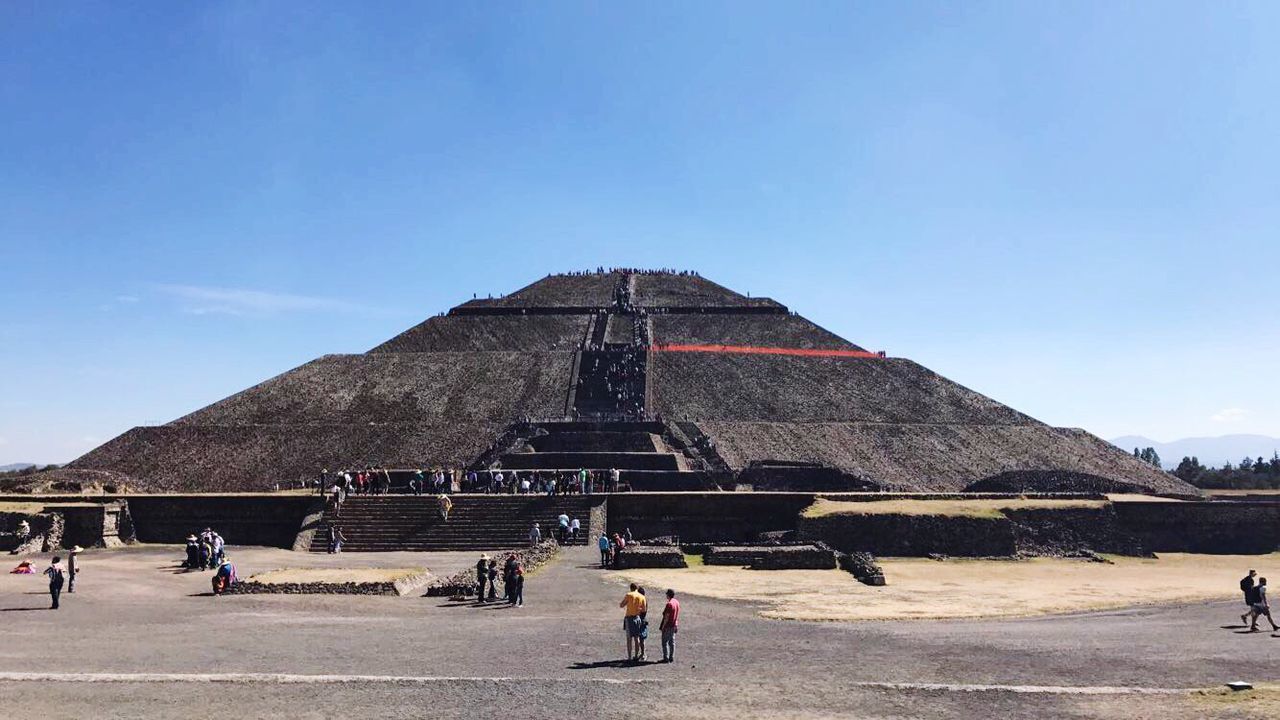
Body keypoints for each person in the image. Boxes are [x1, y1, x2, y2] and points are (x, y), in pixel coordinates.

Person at [619, 582, 647, 661]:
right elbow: (644, 609)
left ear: (631, 588)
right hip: (637, 618)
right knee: (636, 637)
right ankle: (636, 655)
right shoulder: (642, 597)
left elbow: (621, 605)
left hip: (629, 618)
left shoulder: (629, 595)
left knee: (629, 638)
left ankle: (629, 656)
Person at [659, 589, 680, 663]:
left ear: (668, 595)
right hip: (674, 624)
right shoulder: (676, 602)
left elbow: (666, 617)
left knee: (664, 642)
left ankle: (666, 657)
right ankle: (671, 657)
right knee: (672, 642)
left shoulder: (669, 604)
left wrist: (663, 626)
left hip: (668, 625)